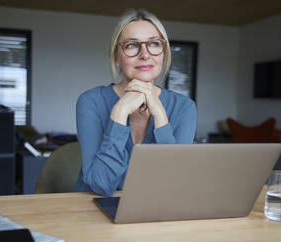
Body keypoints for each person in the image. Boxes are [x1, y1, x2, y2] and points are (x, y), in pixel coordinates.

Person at [75, 9, 196, 196]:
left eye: (154, 44)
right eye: (132, 45)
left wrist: (161, 117)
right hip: (94, 210)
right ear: (116, 57)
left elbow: (174, 184)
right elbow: (100, 185)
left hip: (156, 210)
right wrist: (119, 112)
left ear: (163, 53)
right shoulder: (91, 102)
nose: (145, 54)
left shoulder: (184, 107)